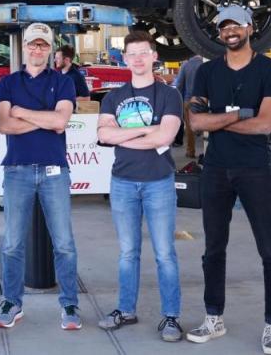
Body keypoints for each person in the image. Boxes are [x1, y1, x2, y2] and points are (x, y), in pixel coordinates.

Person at [186, 6, 271, 355]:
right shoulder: (206, 71)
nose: (230, 31)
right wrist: (239, 113)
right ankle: (214, 317)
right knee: (213, 250)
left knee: (270, 251)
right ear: (219, 33)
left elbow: (265, 124)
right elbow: (196, 123)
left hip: (255, 169)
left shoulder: (270, 70)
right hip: (215, 169)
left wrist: (220, 117)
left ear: (249, 27)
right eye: (223, 26)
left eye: (236, 24)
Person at [96, 30, 184, 341]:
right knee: (127, 252)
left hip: (158, 182)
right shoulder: (113, 97)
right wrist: (149, 130)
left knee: (164, 253)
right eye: (131, 54)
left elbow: (165, 138)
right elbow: (104, 136)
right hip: (122, 183)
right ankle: (125, 309)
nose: (137, 59)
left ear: (153, 56)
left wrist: (126, 132)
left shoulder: (170, 95)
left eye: (143, 53)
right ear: (124, 59)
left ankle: (171, 316)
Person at [0, 22, 80, 330]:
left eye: (43, 45)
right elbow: (4, 125)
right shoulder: (7, 83)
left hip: (54, 170)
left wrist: (23, 112)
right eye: (33, 44)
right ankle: (12, 302)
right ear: (25, 46)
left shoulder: (64, 82)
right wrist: (45, 118)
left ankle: (69, 304)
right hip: (17, 170)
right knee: (13, 243)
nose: (37, 49)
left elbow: (61, 122)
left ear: (50, 48)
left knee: (64, 243)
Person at [173, 54, 203, 158]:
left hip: (189, 100)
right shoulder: (206, 64)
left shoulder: (186, 65)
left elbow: (179, 85)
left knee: (189, 127)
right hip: (205, 100)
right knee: (210, 125)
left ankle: (191, 151)